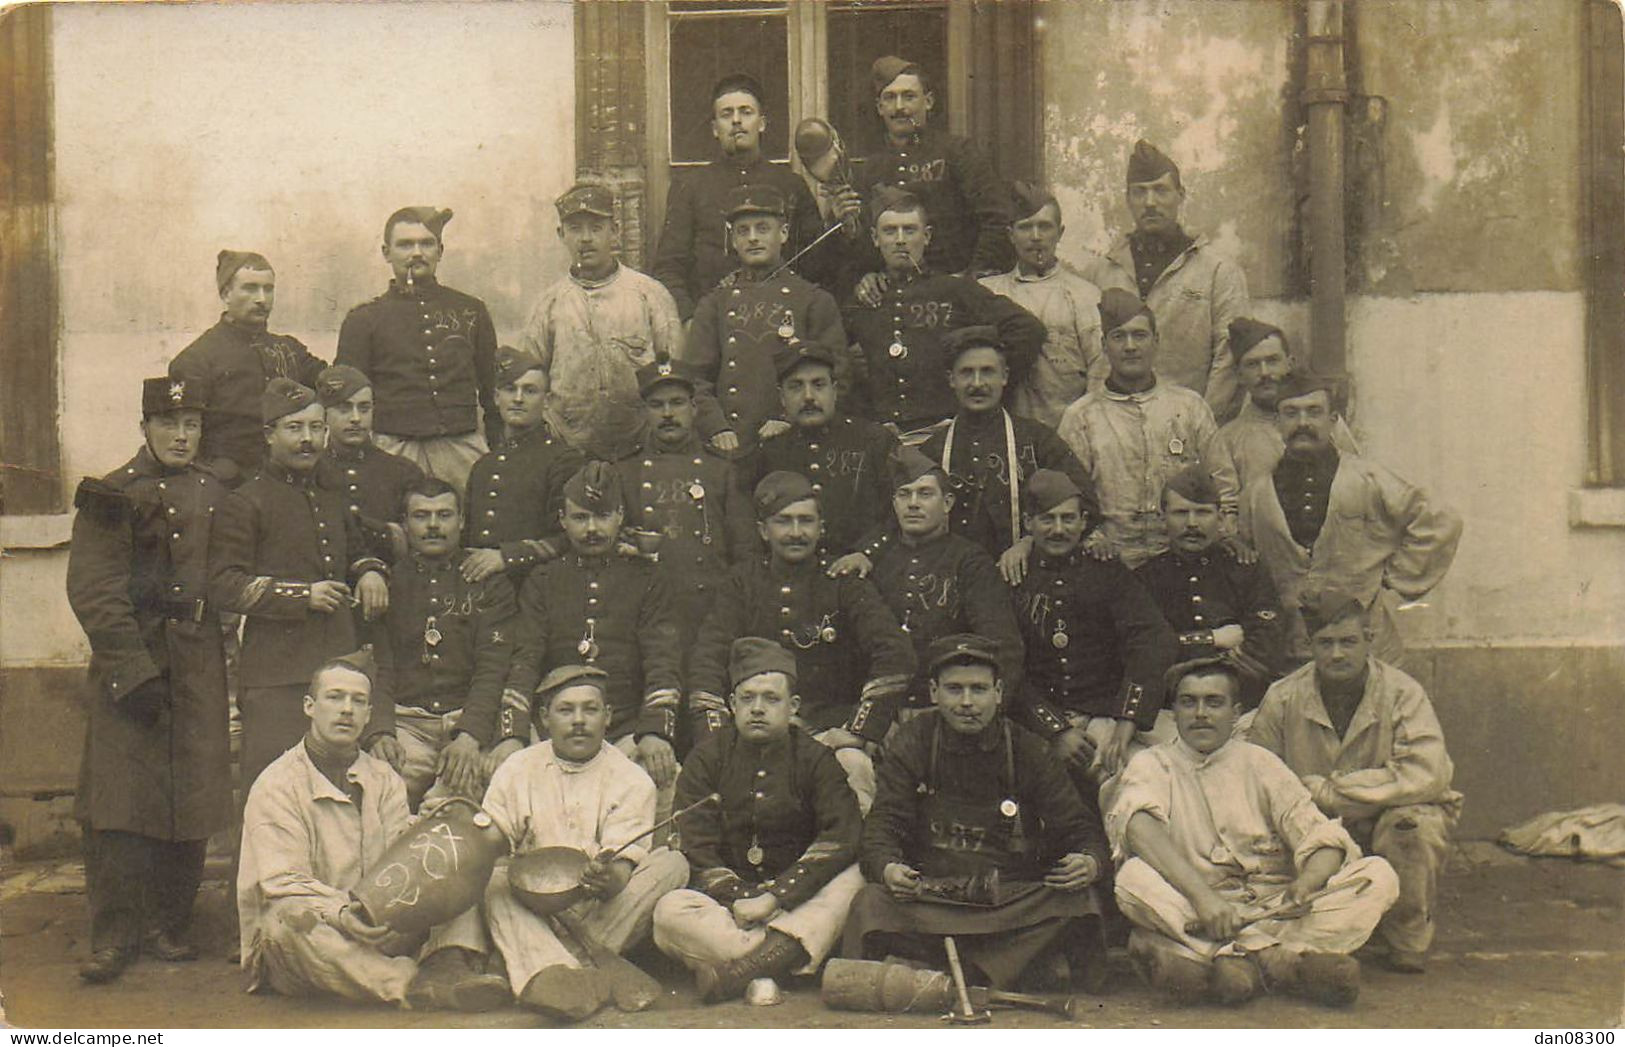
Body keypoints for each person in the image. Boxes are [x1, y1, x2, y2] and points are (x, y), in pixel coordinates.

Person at [1108, 657, 1399, 1007]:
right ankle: (1286, 963)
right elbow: (1139, 829)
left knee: (1378, 875)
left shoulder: (1260, 763)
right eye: (1189, 702)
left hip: (1273, 909)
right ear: (1174, 713)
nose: (1200, 713)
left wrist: (1307, 884)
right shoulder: (1153, 764)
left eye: (1214, 702)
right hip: (1198, 908)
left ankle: (1231, 961)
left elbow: (1320, 836)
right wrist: (1205, 899)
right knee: (1132, 880)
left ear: (1236, 712)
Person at [66, 377, 232, 983]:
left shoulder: (216, 489)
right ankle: (113, 935)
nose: (182, 435)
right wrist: (132, 672)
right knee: (119, 801)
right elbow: (94, 591)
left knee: (191, 795)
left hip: (198, 662)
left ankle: (169, 924)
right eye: (169, 424)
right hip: (130, 663)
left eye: (191, 424)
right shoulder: (113, 493)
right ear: (145, 428)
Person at [237, 650, 510, 1010]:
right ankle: (412, 984)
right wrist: (341, 914)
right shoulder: (277, 784)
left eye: (358, 701)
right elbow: (283, 883)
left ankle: (448, 959)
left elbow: (401, 859)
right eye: (334, 697)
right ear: (309, 706)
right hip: (317, 935)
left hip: (379, 926)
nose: (346, 709)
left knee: (465, 867)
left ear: (369, 714)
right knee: (286, 923)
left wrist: (440, 839)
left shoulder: (383, 778)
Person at [845, 634, 1109, 991]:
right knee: (871, 903)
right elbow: (882, 827)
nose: (967, 702)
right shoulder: (914, 740)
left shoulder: (1029, 748)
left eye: (979, 689)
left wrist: (1088, 861)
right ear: (934, 692)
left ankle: (938, 971)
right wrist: (889, 868)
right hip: (932, 896)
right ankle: (1009, 969)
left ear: (999, 692)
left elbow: (1078, 826)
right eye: (954, 689)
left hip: (1009, 899)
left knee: (1080, 901)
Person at [425, 665, 690, 1022]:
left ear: (607, 717)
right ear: (544, 718)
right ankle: (570, 973)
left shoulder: (632, 779)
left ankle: (536, 969)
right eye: (566, 710)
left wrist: (605, 877)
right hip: (530, 904)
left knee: (672, 864)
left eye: (590, 709)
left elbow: (619, 879)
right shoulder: (518, 767)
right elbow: (492, 843)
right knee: (493, 879)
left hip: (598, 908)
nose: (578, 720)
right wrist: (468, 829)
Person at [1244, 592, 1462, 973]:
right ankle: (1318, 925)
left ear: (1368, 641)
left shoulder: (1401, 693)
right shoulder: (1283, 697)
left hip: (1384, 815)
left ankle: (1405, 934)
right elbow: (1257, 772)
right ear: (1309, 645)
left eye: (1348, 642)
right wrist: (1305, 805)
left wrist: (1333, 791)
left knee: (1413, 826)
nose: (1337, 654)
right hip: (1311, 825)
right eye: (1325, 644)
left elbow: (1426, 772)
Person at [686, 471, 914, 809]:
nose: (796, 533)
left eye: (806, 521)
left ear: (821, 527)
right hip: (755, 731)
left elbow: (895, 654)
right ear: (764, 530)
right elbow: (709, 656)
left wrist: (858, 731)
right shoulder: (741, 583)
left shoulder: (843, 582)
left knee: (854, 768)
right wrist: (718, 738)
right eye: (784, 522)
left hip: (828, 731)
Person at [652, 638, 864, 1001]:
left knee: (855, 878)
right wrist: (740, 898)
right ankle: (776, 960)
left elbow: (842, 835)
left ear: (792, 706)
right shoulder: (706, 758)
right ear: (732, 704)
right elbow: (695, 842)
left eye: (771, 699)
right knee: (668, 912)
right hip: (728, 908)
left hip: (799, 899)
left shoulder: (816, 759)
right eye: (747, 698)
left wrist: (776, 897)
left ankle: (739, 973)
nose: (758, 709)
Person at [209, 379, 392, 793]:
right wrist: (302, 596)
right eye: (294, 428)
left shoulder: (331, 494)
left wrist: (369, 571)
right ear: (269, 434)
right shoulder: (246, 501)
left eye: (315, 428)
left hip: (337, 665)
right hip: (277, 675)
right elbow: (224, 585)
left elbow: (356, 550)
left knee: (338, 789)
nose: (307, 439)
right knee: (271, 790)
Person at [1239, 373, 1462, 665]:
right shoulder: (1256, 493)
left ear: (1333, 420)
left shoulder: (1368, 478)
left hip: (1368, 646)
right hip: (1290, 651)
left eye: (1314, 412)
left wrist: (1392, 576)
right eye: (1291, 414)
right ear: (1278, 423)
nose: (1302, 423)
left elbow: (1440, 521)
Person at [501, 461, 683, 815]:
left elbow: (663, 660)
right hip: (556, 729)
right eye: (581, 518)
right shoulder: (543, 580)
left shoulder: (647, 579)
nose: (592, 529)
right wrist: (513, 733)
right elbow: (525, 659)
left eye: (602, 517)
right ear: (562, 519)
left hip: (626, 727)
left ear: (619, 517)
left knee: (665, 783)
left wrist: (655, 732)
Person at [1007, 470, 1177, 804]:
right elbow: (1006, 661)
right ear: (1028, 523)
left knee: (1165, 769)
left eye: (1068, 519)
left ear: (1084, 521)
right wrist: (1055, 729)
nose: (1059, 529)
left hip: (1105, 713)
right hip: (1035, 721)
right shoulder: (1012, 576)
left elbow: (1153, 640)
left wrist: (1128, 718)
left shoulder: (1107, 571)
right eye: (1047, 520)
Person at [1057, 287, 1239, 569]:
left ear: (1156, 341)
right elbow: (1068, 495)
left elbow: (1223, 484)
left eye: (1139, 335)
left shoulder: (1190, 407)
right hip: (1112, 562)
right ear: (1104, 345)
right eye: (1119, 337)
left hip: (1183, 560)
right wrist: (1094, 539)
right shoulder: (1081, 416)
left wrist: (1224, 534)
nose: (1130, 346)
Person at [364, 478, 518, 810]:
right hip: (408, 725)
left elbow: (493, 667)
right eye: (421, 516)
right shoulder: (389, 582)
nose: (433, 525)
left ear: (461, 521)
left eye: (444, 515)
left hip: (468, 722)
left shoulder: (489, 583)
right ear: (404, 524)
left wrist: (470, 736)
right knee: (377, 796)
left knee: (463, 806)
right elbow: (381, 665)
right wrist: (380, 732)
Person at [839, 446, 1023, 718]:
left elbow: (1003, 647)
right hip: (879, 713)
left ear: (947, 503)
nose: (913, 503)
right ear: (894, 503)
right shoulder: (871, 559)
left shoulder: (969, 561)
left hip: (947, 713)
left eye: (925, 494)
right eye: (904, 494)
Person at [844, 188, 1044, 436]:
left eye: (909, 230)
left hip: (946, 431)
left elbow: (1027, 330)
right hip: (881, 434)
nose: (900, 240)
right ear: (875, 238)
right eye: (889, 231)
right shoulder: (865, 297)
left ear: (926, 236)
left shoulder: (955, 290)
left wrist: (985, 382)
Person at [1079, 141, 1250, 421]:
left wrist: (1199, 429)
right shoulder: (1101, 272)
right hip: (1113, 426)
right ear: (1128, 199)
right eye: (1140, 192)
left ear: (1180, 195)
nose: (1150, 202)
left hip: (1187, 426)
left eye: (1160, 190)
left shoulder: (1218, 271)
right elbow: (1091, 357)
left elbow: (1229, 362)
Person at [615, 353, 756, 693]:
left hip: (709, 614)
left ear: (695, 409)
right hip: (647, 614)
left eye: (677, 403)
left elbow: (746, 552)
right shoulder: (624, 471)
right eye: (657, 405)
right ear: (644, 412)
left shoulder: (721, 470)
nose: (667, 414)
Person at [519, 183, 689, 461]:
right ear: (561, 234)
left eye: (596, 228)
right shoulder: (548, 304)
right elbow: (529, 382)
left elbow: (674, 373)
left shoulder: (650, 294)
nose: (585, 239)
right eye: (575, 229)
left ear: (615, 232)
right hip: (569, 449)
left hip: (641, 448)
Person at [336, 206, 500, 492]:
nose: (416, 253)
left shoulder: (471, 310)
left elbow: (493, 390)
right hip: (392, 448)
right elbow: (345, 397)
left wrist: (497, 449)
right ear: (386, 253)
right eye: (405, 244)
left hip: (461, 448)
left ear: (440, 250)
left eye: (426, 243)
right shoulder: (363, 320)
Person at [652, 73, 833, 321]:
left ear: (762, 123)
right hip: (714, 323)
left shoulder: (790, 184)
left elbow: (818, 263)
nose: (736, 121)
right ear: (715, 129)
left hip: (782, 321)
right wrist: (691, 320)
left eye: (746, 112)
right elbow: (669, 267)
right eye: (726, 114)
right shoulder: (691, 187)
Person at [681, 185, 846, 455]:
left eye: (762, 228)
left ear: (783, 233)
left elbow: (838, 374)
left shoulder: (814, 300)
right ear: (733, 240)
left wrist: (787, 417)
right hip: (731, 445)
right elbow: (695, 378)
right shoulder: (715, 303)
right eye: (743, 231)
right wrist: (716, 427)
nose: (753, 238)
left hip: (798, 440)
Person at [917, 325, 1096, 559]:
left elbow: (1086, 504)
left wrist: (1032, 540)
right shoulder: (933, 449)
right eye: (967, 373)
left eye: (988, 371)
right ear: (952, 379)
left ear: (1005, 376)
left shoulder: (1038, 440)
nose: (977, 383)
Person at [1136, 464, 1286, 705]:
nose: (1192, 523)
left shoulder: (1247, 570)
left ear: (1220, 517)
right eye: (1181, 513)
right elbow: (1147, 650)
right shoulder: (1145, 578)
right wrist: (1212, 639)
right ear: (1162, 517)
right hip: (1169, 706)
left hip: (1241, 703)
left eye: (1203, 512)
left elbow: (1266, 644)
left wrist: (1182, 645)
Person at [851, 56, 1013, 279]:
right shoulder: (870, 168)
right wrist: (871, 275)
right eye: (890, 98)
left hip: (956, 281)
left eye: (909, 97)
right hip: (897, 290)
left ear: (928, 102)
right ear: (880, 107)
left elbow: (997, 219)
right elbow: (867, 240)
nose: (900, 107)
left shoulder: (959, 152)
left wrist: (972, 277)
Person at [169, 250, 325, 478]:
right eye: (250, 288)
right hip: (229, 484)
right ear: (225, 294)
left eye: (268, 289)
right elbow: (185, 436)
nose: (262, 299)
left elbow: (336, 386)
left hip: (291, 479)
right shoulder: (196, 359)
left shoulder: (290, 349)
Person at [979, 182, 1108, 427]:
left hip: (1065, 432)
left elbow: (1100, 374)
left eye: (1044, 227)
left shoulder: (1085, 296)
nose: (1036, 237)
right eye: (1025, 227)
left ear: (1059, 233)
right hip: (1005, 432)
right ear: (1010, 235)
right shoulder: (989, 292)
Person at [752, 343, 899, 556]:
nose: (809, 396)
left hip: (865, 570)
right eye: (796, 386)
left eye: (818, 385)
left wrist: (866, 552)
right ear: (781, 397)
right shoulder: (770, 450)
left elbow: (895, 513)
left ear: (835, 390)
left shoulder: (874, 440)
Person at [460, 345, 583, 585]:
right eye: (509, 389)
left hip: (536, 586)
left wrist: (508, 557)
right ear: (496, 398)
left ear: (546, 401)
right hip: (483, 589)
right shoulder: (484, 465)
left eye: (530, 391)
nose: (518, 399)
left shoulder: (564, 460)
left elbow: (570, 536)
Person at [1214, 318, 1359, 487]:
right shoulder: (1228, 440)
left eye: (1272, 361)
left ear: (1290, 364)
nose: (1265, 372)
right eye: (1252, 364)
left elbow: (1356, 482)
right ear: (1239, 375)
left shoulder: (1323, 422)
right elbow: (1228, 505)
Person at [313, 364, 424, 561]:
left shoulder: (403, 472)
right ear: (324, 415)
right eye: (344, 408)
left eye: (364, 408)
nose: (356, 418)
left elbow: (419, 543)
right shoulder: (310, 472)